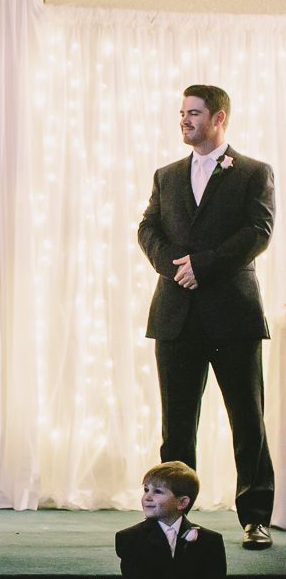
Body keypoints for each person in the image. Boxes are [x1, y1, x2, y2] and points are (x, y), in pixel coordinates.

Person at [137, 85, 275, 549]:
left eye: (194, 113)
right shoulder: (166, 175)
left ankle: (255, 519)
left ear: (219, 118)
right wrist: (177, 267)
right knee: (176, 426)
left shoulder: (253, 171)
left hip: (233, 315)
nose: (184, 120)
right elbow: (147, 228)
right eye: (182, 112)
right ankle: (173, 523)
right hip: (175, 316)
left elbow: (258, 231)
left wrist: (204, 266)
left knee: (247, 421)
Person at [115, 462, 226, 578]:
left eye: (157, 491)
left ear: (182, 502)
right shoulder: (130, 538)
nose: (147, 497)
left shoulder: (210, 541)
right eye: (146, 490)